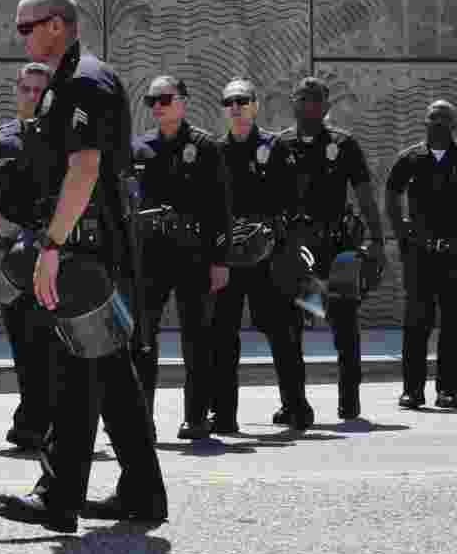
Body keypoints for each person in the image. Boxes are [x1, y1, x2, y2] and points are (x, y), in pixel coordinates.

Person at [0, 0, 166, 534]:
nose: (20, 37)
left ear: (58, 24)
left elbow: (84, 169)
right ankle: (142, 493)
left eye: (27, 27)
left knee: (72, 371)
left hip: (85, 247)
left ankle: (59, 497)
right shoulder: (66, 82)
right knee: (112, 375)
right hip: (89, 242)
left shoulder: (84, 80)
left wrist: (51, 246)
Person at [274, 76, 387, 421]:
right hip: (297, 250)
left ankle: (349, 403)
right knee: (291, 327)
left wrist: (378, 241)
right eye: (303, 99)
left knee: (344, 326)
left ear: (326, 106)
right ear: (293, 104)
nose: (309, 105)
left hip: (338, 250)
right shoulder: (281, 145)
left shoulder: (345, 144)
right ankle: (294, 403)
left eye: (316, 100)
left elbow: (366, 195)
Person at [130, 75, 231, 440]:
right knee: (143, 339)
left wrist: (220, 259)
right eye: (151, 100)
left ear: (182, 100)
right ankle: (142, 420)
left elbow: (221, 207)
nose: (158, 105)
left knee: (197, 338)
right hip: (151, 255)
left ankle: (196, 417)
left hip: (194, 255)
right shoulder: (139, 148)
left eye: (165, 98)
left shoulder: (204, 147)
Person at [208, 78, 312, 433]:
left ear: (255, 106)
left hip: (269, 255)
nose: (235, 107)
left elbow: (296, 202)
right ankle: (223, 414)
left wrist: (289, 252)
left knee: (283, 333)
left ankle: (296, 408)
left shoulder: (276, 147)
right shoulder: (215, 151)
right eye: (229, 102)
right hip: (229, 257)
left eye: (242, 100)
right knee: (222, 335)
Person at [0, 62, 58, 452]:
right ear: (17, 90)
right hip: (10, 256)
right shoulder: (0, 138)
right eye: (27, 89)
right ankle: (33, 418)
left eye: (40, 90)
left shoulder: (65, 138)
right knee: (22, 340)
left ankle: (43, 421)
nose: (33, 96)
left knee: (52, 341)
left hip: (54, 252)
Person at [385, 100, 457, 410]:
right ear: (425, 124)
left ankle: (448, 390)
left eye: (444, 121)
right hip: (421, 257)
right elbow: (391, 193)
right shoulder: (410, 159)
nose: (438, 126)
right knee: (416, 325)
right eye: (434, 120)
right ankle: (412, 391)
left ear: (454, 126)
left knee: (455, 326)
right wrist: (400, 227)